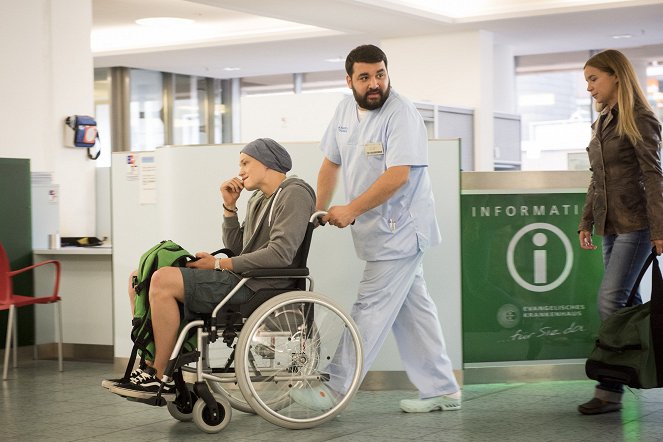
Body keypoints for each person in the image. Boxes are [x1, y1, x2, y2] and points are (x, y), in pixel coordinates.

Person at [291, 44, 461, 413]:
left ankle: (333, 390)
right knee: (414, 310)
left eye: (380, 74)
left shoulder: (402, 114)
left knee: (369, 308)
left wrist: (350, 208)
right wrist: (318, 209)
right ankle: (442, 389)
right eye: (365, 77)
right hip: (377, 230)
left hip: (401, 230)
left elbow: (398, 176)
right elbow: (330, 164)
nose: (374, 84)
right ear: (349, 79)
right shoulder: (343, 110)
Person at [108, 138, 316, 400]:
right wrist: (230, 208)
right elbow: (239, 248)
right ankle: (150, 363)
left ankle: (163, 375)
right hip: (240, 280)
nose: (240, 170)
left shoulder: (294, 193)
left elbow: (281, 254)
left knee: (162, 279)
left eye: (245, 162)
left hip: (260, 287)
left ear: (267, 163)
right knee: (140, 278)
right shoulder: (259, 200)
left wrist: (218, 264)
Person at [577, 49, 663, 415]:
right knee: (626, 305)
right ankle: (632, 373)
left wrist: (659, 229)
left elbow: (653, 175)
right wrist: (587, 221)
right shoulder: (603, 122)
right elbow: (598, 179)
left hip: (637, 225)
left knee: (610, 302)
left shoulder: (640, 118)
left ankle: (610, 389)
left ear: (616, 76)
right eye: (587, 82)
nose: (589, 89)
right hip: (612, 225)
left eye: (594, 79)